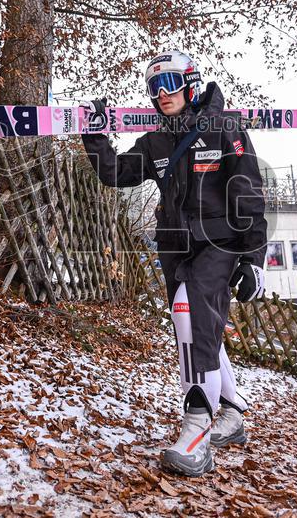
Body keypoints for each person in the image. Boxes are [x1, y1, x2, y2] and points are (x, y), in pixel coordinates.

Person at [81, 49, 267, 476]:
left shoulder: (224, 128)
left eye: (169, 84)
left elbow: (249, 192)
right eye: (153, 87)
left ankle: (197, 430)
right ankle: (232, 410)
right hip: (173, 247)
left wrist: (254, 257)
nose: (161, 94)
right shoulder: (156, 141)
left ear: (190, 84)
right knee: (195, 324)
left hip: (220, 243)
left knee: (189, 312)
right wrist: (95, 136)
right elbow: (115, 173)